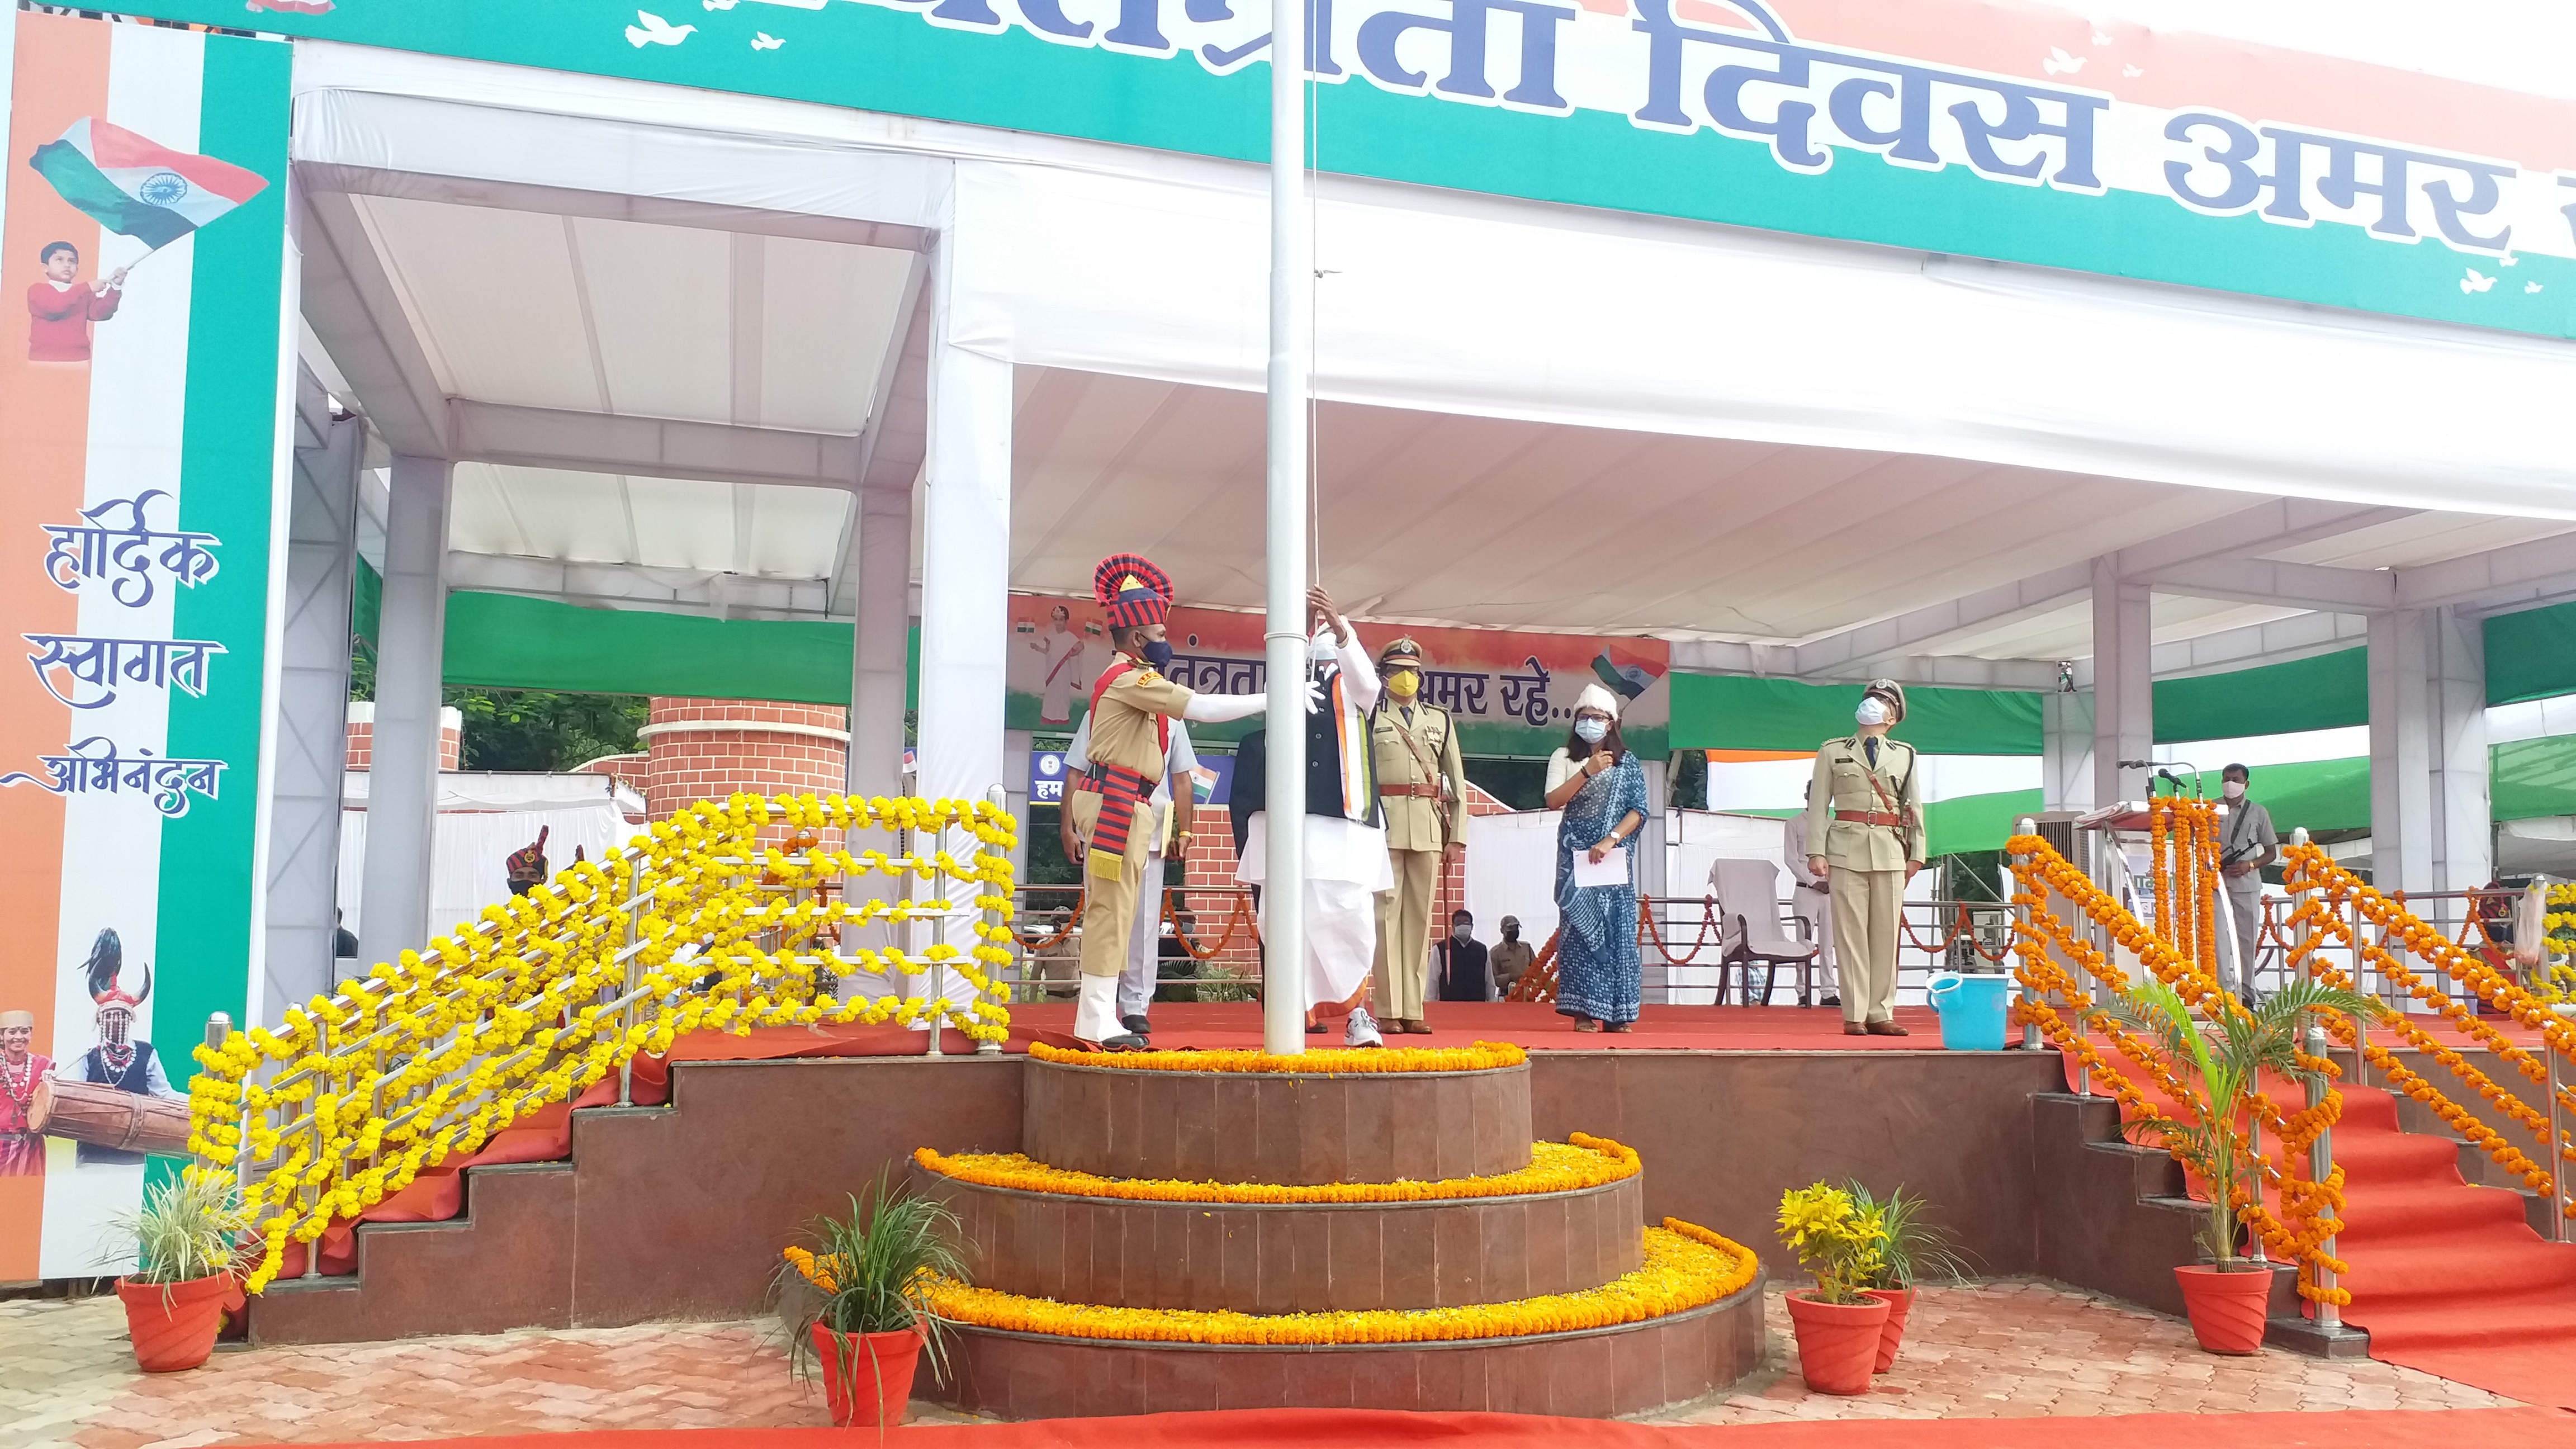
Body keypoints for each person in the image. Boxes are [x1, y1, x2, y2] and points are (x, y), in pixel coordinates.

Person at [1065, 554, 1266, 1049]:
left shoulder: (1132, 680)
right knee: (1111, 913)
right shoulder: (1130, 680)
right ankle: (1095, 1016)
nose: (1163, 640)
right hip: (1114, 802)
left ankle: (1104, 1012)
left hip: (1131, 805)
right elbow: (1201, 706)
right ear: (1138, 640)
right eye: (1157, 631)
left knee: (1124, 914)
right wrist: (1271, 696)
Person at [1234, 587, 1392, 1046]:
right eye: (1316, 657)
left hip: (1343, 828)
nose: (1325, 670)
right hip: (1287, 823)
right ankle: (1287, 1015)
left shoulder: (1359, 693)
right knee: (1285, 918)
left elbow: (1369, 684)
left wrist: (1340, 629)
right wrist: (1299, 626)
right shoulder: (1288, 689)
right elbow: (1279, 676)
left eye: (1333, 657)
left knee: (1351, 918)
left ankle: (1358, 1015)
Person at [1062, 707, 1199, 1040]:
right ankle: (1098, 1003)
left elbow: (1182, 779)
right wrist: (1066, 827)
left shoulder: (1172, 719)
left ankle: (1136, 1004)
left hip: (1148, 828)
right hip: (1103, 824)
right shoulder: (1099, 712)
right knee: (1102, 914)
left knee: (1144, 923)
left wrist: (1185, 832)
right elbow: (1076, 772)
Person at [1802, 680, 1925, 1036]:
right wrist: (1816, 850)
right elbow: (1818, 804)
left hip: (1889, 848)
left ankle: (1880, 1012)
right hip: (1845, 847)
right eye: (1872, 698)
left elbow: (1912, 806)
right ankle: (1854, 1013)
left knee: (1886, 936)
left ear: (1893, 718)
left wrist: (1917, 852)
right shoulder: (1832, 751)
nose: (1875, 703)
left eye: (1885, 700)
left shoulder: (1905, 754)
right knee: (1850, 934)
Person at [1369, 637, 1467, 1034]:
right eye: (1397, 672)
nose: (1405, 679)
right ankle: (1389, 1009)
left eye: (1411, 672)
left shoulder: (1440, 720)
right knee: (1385, 916)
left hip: (1428, 824)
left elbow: (1456, 780)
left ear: (1421, 677)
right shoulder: (1371, 716)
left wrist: (1457, 835)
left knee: (1420, 920)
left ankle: (1414, 1009)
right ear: (1384, 676)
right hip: (1386, 825)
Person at [1545, 684, 1649, 1033]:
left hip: (1612, 859)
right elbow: (1553, 801)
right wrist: (1587, 771)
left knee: (1617, 933)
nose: (1590, 723)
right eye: (1584, 717)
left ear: (1612, 723)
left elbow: (1638, 811)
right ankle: (1583, 1012)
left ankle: (1619, 1013)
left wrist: (1611, 839)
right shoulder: (1564, 757)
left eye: (1598, 717)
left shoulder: (1628, 762)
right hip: (1576, 861)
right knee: (1580, 933)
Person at [69, 930, 182, 1167]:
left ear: (129, 1019)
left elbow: (164, 1094)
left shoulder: (146, 1054)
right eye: (110, 1016)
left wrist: (198, 1103)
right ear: (101, 1020)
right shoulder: (89, 1057)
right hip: (92, 1152)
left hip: (132, 1148)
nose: (116, 1021)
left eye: (121, 1016)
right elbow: (78, 1098)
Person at [2214, 763, 2279, 1002]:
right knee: (2218, 939)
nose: (2230, 784)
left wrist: (2249, 865)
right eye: (2227, 779)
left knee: (2247, 939)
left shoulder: (2258, 812)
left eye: (2236, 780)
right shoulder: (2209, 808)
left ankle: (2247, 995)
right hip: (2216, 884)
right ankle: (2223, 994)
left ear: (2246, 784)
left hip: (2247, 883)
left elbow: (2272, 852)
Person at [1776, 782, 1841, 1008]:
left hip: (1830, 889)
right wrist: (1814, 881)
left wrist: (1831, 882)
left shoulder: (1833, 825)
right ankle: (1803, 992)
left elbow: (1838, 857)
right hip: (1805, 889)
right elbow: (1791, 859)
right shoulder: (1794, 823)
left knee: (1828, 943)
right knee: (1804, 941)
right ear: (1806, 796)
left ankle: (1828, 991)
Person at [27, 240, 124, 363]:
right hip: (43, 359)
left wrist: (116, 287)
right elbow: (56, 306)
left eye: (71, 261)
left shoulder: (83, 294)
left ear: (77, 268)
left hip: (79, 358)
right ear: (45, 268)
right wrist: (87, 287)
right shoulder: (37, 290)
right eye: (59, 260)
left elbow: (102, 313)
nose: (67, 265)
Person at [0, 1009, 49, 1177]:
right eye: (12, 1032)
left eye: (25, 1031)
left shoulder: (44, 1065)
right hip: (1, 1145)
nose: (19, 1037)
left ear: (31, 1034)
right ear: (2, 1036)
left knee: (27, 1196)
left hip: (31, 1147)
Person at [1027, 602, 1088, 727]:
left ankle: (1062, 719)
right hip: (1051, 671)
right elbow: (1048, 652)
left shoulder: (1071, 638)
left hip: (1063, 672)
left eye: (1061, 620)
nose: (1058, 623)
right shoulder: (1050, 635)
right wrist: (1037, 648)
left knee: (1062, 696)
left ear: (1066, 621)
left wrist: (1076, 650)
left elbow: (1077, 651)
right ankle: (1047, 718)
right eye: (1056, 620)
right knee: (1050, 695)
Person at [1434, 910, 1490, 1002]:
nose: (1462, 926)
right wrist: (1431, 1003)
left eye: (1466, 923)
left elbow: (1489, 980)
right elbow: (1433, 981)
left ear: (1472, 926)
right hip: (1449, 1005)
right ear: (1453, 927)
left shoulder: (1482, 949)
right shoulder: (1441, 949)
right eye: (1458, 923)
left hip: (1478, 1006)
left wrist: (1491, 1002)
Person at [1489, 915, 1536, 997]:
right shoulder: (1495, 952)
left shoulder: (1527, 948)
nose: (1514, 930)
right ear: (1502, 930)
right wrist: (1510, 977)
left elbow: (1537, 970)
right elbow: (1492, 980)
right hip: (1506, 995)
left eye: (1516, 928)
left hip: (1527, 995)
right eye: (1510, 928)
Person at [506, 827, 551, 897]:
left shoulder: (557, 906)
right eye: (519, 876)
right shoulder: (499, 908)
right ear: (509, 882)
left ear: (542, 882)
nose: (526, 880)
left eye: (532, 876)